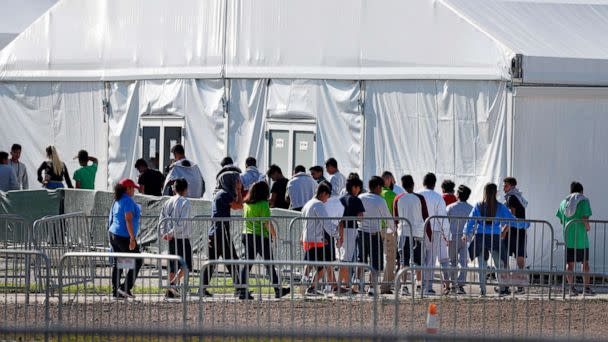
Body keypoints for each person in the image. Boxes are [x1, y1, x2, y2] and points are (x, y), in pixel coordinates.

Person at [463, 183, 527, 296]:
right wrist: (524, 224)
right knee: (499, 264)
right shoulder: (500, 207)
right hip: (495, 238)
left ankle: (482, 290)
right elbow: (511, 219)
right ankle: (502, 288)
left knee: (482, 265)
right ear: (496, 193)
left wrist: (465, 233)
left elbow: (470, 221)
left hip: (480, 237)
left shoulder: (478, 206)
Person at [239, 181, 291, 299]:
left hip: (246, 235)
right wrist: (274, 235)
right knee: (269, 264)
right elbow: (266, 222)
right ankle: (278, 290)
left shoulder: (246, 204)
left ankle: (242, 290)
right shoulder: (263, 204)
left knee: (247, 264)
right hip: (260, 236)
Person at [201, 171, 243, 297]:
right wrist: (239, 190)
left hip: (215, 232)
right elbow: (238, 206)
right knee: (232, 260)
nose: (237, 183)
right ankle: (239, 289)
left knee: (212, 261)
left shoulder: (220, 193)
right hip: (221, 232)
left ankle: (201, 288)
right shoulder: (224, 194)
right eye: (235, 181)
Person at [301, 182, 342, 295]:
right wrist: (337, 234)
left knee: (312, 264)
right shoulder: (318, 205)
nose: (327, 200)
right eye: (327, 196)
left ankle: (306, 285)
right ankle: (312, 287)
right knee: (324, 264)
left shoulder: (308, 204)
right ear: (324, 193)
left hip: (308, 238)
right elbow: (326, 223)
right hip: (315, 240)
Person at [359, 176, 395, 296]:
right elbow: (388, 217)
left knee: (361, 260)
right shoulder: (380, 200)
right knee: (376, 261)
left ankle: (359, 285)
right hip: (374, 234)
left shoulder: (361, 197)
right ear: (378, 187)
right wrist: (393, 229)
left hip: (361, 232)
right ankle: (372, 287)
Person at [556, 181, 593, 296]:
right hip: (582, 238)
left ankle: (571, 288)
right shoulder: (584, 200)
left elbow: (561, 220)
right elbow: (585, 218)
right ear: (581, 191)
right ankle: (586, 288)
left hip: (568, 238)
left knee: (569, 264)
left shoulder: (563, 202)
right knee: (585, 263)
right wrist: (588, 227)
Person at [108, 179, 143, 299]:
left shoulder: (117, 199)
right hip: (124, 236)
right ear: (127, 189)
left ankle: (116, 291)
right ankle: (125, 288)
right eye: (133, 188)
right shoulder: (127, 200)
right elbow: (128, 219)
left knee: (119, 262)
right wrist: (132, 238)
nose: (134, 190)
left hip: (114, 234)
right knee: (138, 260)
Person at [159, 178, 193, 299]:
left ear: (174, 189)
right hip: (182, 237)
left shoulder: (167, 202)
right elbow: (182, 222)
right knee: (186, 265)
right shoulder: (185, 202)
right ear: (185, 189)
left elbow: (161, 218)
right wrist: (171, 233)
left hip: (171, 238)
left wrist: (164, 232)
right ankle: (172, 285)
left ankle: (170, 290)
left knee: (173, 265)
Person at [394, 175, 425, 296]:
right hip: (417, 232)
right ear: (413, 184)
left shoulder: (398, 198)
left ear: (402, 185)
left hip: (403, 232)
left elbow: (395, 217)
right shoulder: (420, 198)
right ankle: (418, 285)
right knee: (418, 261)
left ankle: (404, 286)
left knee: (403, 261)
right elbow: (425, 214)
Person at [419, 173, 450, 295]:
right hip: (434, 230)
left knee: (420, 259)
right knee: (431, 260)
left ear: (424, 182)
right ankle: (428, 287)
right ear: (434, 183)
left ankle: (420, 285)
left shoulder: (417, 194)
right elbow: (443, 218)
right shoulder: (438, 197)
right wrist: (448, 235)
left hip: (419, 230)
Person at [338, 176, 365, 292]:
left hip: (339, 229)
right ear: (354, 187)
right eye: (358, 187)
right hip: (350, 229)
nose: (359, 190)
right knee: (346, 259)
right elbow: (360, 217)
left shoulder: (340, 199)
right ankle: (346, 284)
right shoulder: (356, 199)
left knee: (343, 258)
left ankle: (340, 284)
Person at [502, 177, 529, 294]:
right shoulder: (519, 196)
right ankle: (520, 286)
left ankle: (506, 285)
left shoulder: (511, 197)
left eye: (506, 185)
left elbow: (511, 217)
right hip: (521, 230)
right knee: (520, 259)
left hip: (512, 231)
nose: (503, 187)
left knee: (505, 258)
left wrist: (504, 230)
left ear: (511, 186)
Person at [446, 185, 473, 295]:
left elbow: (445, 223)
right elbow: (473, 224)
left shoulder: (450, 207)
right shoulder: (471, 208)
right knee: (464, 262)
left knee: (452, 262)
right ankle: (460, 285)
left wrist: (446, 237)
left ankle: (454, 284)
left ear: (457, 195)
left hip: (452, 237)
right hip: (465, 238)